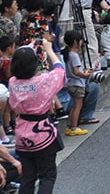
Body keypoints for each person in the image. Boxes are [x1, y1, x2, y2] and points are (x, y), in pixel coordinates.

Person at [8, 37, 66, 194]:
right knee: (47, 176)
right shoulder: (43, 81)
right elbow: (60, 71)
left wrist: (32, 45)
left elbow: (22, 56)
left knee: (28, 177)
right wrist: (49, 50)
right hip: (42, 134)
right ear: (34, 64)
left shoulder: (13, 82)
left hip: (22, 135)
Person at [61, 30, 99, 136]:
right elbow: (76, 71)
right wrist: (85, 74)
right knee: (78, 106)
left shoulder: (67, 54)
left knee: (74, 106)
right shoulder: (74, 55)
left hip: (71, 83)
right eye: (80, 40)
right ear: (75, 42)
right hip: (77, 84)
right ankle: (74, 127)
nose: (82, 42)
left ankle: (70, 126)